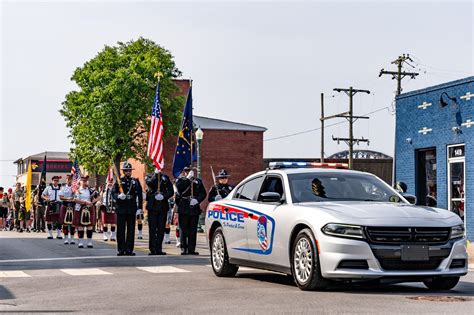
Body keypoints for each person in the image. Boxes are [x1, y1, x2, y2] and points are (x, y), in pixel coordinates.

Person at [112, 162, 143, 256]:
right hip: (121, 208)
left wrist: (140, 208)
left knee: (131, 230)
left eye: (130, 170)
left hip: (131, 208)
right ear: (124, 171)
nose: (128, 172)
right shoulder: (119, 181)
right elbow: (113, 193)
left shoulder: (135, 181)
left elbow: (139, 195)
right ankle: (121, 249)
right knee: (121, 230)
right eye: (127, 171)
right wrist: (118, 196)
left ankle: (129, 249)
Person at [175, 167, 206, 255]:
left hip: (194, 207)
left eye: (190, 170)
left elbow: (203, 193)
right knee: (183, 229)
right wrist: (187, 179)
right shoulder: (179, 180)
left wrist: (197, 200)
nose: (188, 172)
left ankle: (191, 248)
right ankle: (184, 248)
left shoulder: (198, 181)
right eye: (186, 170)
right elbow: (179, 189)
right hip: (183, 207)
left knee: (193, 230)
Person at [145, 170, 174, 255]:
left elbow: (171, 191)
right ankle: (152, 249)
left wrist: (164, 196)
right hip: (152, 206)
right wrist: (155, 175)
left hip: (162, 206)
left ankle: (159, 249)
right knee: (153, 229)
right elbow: (149, 183)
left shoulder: (165, 178)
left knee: (161, 229)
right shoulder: (149, 176)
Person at [73, 175, 100, 248]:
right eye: (83, 181)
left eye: (86, 181)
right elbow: (76, 200)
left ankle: (89, 242)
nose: (85, 182)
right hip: (80, 209)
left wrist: (93, 201)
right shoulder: (78, 190)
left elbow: (100, 196)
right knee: (80, 227)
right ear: (80, 182)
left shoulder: (91, 190)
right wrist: (85, 202)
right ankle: (80, 242)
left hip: (89, 209)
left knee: (90, 226)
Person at [59, 174, 76, 244]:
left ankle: (72, 238)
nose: (69, 181)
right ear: (66, 180)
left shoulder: (74, 188)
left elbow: (77, 196)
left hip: (73, 206)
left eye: (70, 179)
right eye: (68, 179)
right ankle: (66, 238)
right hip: (65, 205)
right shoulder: (63, 188)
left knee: (73, 224)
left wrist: (74, 192)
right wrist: (68, 198)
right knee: (65, 224)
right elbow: (61, 197)